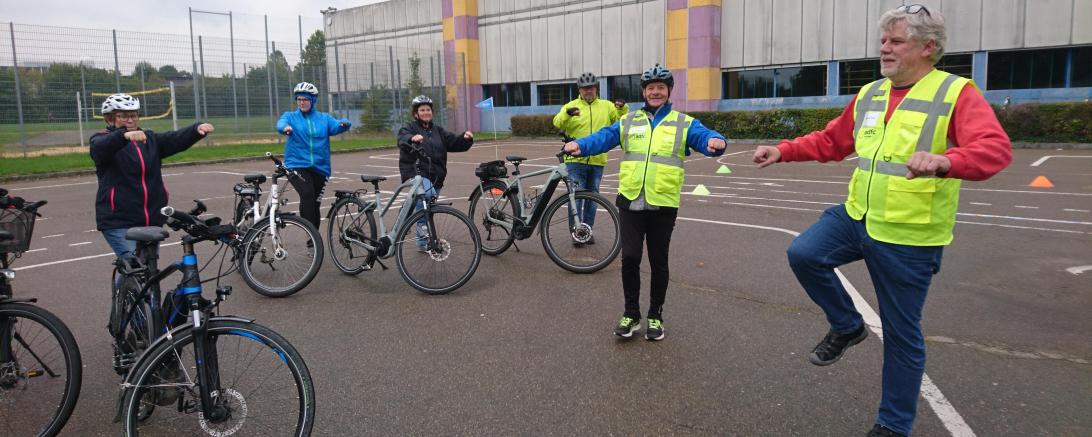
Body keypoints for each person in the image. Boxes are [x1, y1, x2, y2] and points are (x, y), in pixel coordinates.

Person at [752, 5, 1012, 437]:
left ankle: (893, 425)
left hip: (909, 235)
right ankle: (848, 325)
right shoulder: (872, 93)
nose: (885, 49)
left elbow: (995, 148)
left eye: (896, 41)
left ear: (929, 48)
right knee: (804, 252)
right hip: (858, 217)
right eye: (883, 41)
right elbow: (833, 140)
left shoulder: (955, 93)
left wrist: (948, 160)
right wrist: (784, 150)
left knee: (901, 334)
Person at [563, 64, 727, 341]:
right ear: (644, 92)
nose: (655, 92)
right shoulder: (630, 120)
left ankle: (655, 316)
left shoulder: (682, 122)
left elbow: (703, 136)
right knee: (629, 258)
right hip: (630, 200)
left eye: (660, 87)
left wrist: (715, 140)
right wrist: (581, 145)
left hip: (663, 202)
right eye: (650, 88)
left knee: (658, 261)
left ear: (669, 91)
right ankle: (631, 314)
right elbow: (605, 137)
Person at [91, 93, 214, 257]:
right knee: (135, 266)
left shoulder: (149, 139)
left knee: (148, 268)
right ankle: (128, 282)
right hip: (119, 221)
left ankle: (130, 283)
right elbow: (100, 148)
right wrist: (123, 136)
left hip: (152, 220)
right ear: (110, 118)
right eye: (123, 116)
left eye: (134, 115)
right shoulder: (101, 140)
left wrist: (196, 131)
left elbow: (173, 139)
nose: (130, 120)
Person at [552, 72, 623, 245]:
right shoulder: (572, 105)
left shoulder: (607, 106)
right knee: (576, 197)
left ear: (596, 88)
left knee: (592, 199)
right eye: (584, 88)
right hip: (575, 161)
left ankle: (586, 230)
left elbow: (621, 123)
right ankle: (576, 232)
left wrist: (622, 109)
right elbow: (556, 123)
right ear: (579, 89)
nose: (588, 91)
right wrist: (567, 114)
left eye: (590, 87)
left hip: (597, 161)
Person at [396, 95, 474, 251]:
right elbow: (402, 139)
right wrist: (412, 138)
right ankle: (409, 215)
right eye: (422, 110)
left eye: (428, 109)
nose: (426, 112)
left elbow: (453, 142)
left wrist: (465, 139)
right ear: (416, 114)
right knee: (427, 197)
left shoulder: (437, 130)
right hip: (415, 172)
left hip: (436, 175)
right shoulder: (409, 128)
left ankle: (421, 241)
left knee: (428, 209)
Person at [276, 81, 352, 230]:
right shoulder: (290, 117)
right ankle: (310, 234)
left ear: (313, 100)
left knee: (315, 204)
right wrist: (285, 128)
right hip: (296, 164)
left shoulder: (324, 118)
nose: (301, 102)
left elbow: (336, 126)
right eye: (299, 99)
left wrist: (344, 123)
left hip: (320, 167)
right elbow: (281, 123)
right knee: (307, 194)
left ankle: (313, 237)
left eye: (305, 99)